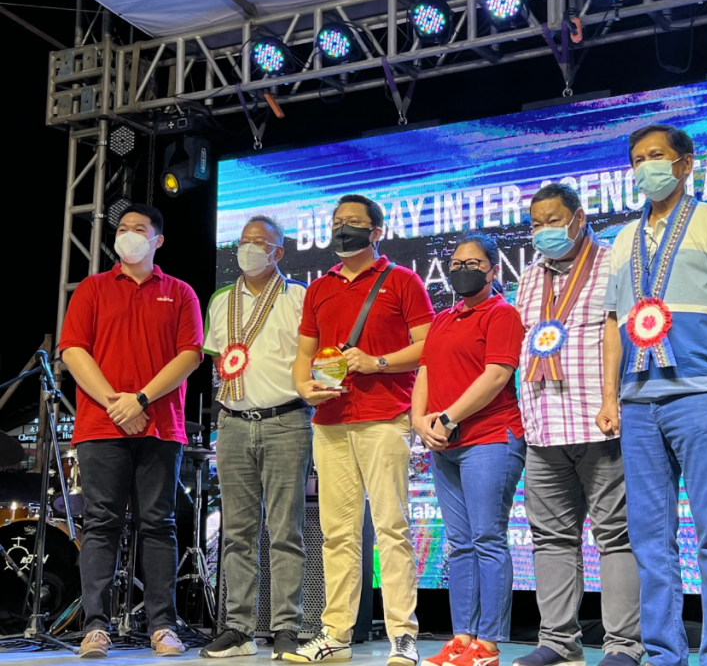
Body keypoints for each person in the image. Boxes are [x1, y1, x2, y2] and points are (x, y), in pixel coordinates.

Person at [600, 125, 707, 666]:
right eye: (638, 160)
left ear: (686, 164)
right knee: (649, 537)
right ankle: (664, 652)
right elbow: (613, 323)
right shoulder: (622, 238)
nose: (647, 168)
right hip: (639, 403)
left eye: (657, 157)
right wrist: (608, 397)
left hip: (704, 394)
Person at [287, 194, 434, 665]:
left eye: (353, 222)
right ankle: (335, 635)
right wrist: (304, 388)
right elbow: (303, 356)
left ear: (376, 232)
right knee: (337, 533)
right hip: (329, 422)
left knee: (392, 527)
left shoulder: (403, 281)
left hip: (385, 416)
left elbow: (428, 346)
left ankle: (402, 635)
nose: (342, 229)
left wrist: (378, 362)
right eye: (336, 222)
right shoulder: (319, 287)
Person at [59, 203, 204, 659]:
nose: (128, 235)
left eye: (139, 229)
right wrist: (115, 404)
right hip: (101, 425)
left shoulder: (180, 293)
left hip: (160, 427)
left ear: (157, 240)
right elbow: (73, 351)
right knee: (101, 522)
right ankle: (95, 627)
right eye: (122, 229)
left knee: (158, 524)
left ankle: (163, 624)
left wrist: (139, 400)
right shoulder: (92, 288)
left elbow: (191, 356)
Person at [513, 184, 643, 666]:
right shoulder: (528, 278)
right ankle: (557, 642)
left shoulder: (614, 262)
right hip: (543, 429)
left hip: (600, 422)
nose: (544, 231)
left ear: (579, 216)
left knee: (617, 536)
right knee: (550, 539)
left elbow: (630, 335)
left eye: (553, 220)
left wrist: (616, 401)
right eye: (536, 224)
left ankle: (625, 646)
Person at [200, 216, 312, 660]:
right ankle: (238, 628)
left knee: (286, 531)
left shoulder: (299, 297)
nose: (249, 249)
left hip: (286, 421)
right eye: (244, 242)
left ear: (278, 252)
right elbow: (218, 362)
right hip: (232, 424)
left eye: (260, 243)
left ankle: (286, 626)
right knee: (237, 534)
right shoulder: (220, 300)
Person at [412, 234, 527, 666]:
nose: (464, 268)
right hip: (445, 444)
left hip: (491, 439)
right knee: (459, 543)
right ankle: (462, 639)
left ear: (494, 271)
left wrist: (448, 417)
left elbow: (497, 375)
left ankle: (490, 644)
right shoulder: (443, 318)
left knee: (487, 539)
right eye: (457, 262)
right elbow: (425, 371)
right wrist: (419, 420)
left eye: (475, 263)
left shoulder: (502, 313)